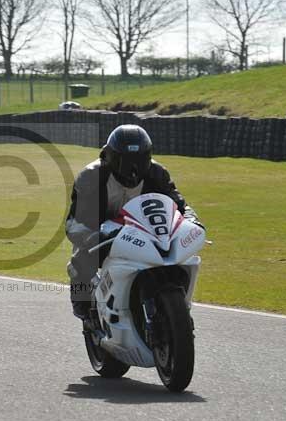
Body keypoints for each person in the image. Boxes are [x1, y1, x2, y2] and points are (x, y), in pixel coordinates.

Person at [65, 124, 203, 319]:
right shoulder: (91, 176)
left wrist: (192, 220)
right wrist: (91, 236)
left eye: (139, 161)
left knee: (177, 255)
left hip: (147, 231)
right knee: (81, 261)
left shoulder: (157, 173)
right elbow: (73, 223)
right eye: (125, 162)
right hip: (104, 233)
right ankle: (86, 313)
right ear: (110, 157)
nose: (133, 170)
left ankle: (175, 305)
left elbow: (180, 205)